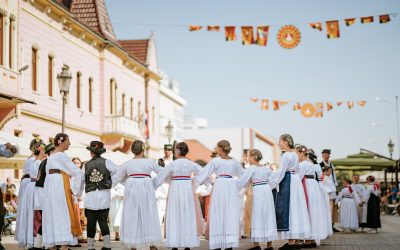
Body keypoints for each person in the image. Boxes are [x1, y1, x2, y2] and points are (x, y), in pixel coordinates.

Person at [113, 140, 162, 250]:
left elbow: (116, 178)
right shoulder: (150, 162)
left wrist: (127, 182)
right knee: (149, 213)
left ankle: (132, 244)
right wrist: (154, 184)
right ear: (143, 149)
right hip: (146, 188)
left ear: (132, 150)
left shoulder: (127, 163)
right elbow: (162, 174)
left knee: (132, 214)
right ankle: (151, 244)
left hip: (132, 189)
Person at [195, 140, 244, 250]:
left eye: (217, 148)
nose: (216, 150)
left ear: (220, 149)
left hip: (220, 185)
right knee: (229, 212)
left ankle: (217, 242)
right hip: (230, 186)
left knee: (218, 212)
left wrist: (193, 183)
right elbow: (243, 175)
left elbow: (204, 174)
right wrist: (237, 185)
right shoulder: (235, 162)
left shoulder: (215, 161)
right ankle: (229, 243)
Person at [154, 142, 203, 250]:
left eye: (176, 150)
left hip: (175, 187)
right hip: (187, 188)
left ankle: (174, 243)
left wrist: (153, 185)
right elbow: (203, 173)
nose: (174, 152)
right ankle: (187, 243)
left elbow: (162, 176)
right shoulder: (191, 164)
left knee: (174, 214)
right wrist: (194, 182)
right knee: (187, 214)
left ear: (179, 151)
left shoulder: (172, 164)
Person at [42, 133, 82, 249]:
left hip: (50, 184)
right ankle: (63, 244)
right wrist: (76, 187)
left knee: (52, 211)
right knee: (61, 211)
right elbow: (75, 171)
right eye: (68, 141)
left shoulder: (51, 157)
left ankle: (53, 242)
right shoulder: (61, 156)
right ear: (62, 142)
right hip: (58, 184)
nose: (69, 143)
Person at [274, 134, 310, 250]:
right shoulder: (295, 154)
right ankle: (294, 240)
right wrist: (296, 182)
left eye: (280, 141)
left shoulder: (285, 156)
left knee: (289, 209)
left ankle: (290, 242)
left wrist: (272, 183)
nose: (278, 144)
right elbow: (298, 170)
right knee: (296, 209)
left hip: (288, 181)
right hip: (295, 181)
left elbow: (281, 172)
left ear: (285, 142)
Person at [236, 149, 277, 250]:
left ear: (253, 157)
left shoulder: (251, 169)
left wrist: (232, 185)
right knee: (267, 215)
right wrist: (268, 188)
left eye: (249, 156)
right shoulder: (266, 168)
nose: (248, 159)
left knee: (256, 214)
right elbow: (274, 181)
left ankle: (256, 244)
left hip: (257, 190)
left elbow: (242, 181)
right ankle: (269, 244)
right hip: (266, 191)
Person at [81, 141, 117, 250]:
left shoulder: (86, 165)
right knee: (103, 221)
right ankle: (107, 245)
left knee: (91, 222)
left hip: (91, 196)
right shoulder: (108, 162)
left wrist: (77, 192)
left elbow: (81, 180)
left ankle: (90, 246)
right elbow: (118, 172)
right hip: (103, 195)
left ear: (91, 152)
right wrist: (110, 183)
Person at [16, 141, 46, 249]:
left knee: (31, 212)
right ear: (39, 149)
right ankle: (34, 239)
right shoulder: (36, 161)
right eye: (43, 149)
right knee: (34, 213)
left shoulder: (31, 159)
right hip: (33, 185)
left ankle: (33, 239)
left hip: (30, 185)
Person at [296, 145, 327, 248]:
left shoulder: (303, 164)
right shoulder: (312, 163)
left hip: (307, 186)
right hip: (313, 186)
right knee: (313, 211)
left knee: (307, 210)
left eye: (297, 154)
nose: (297, 157)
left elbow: (298, 177)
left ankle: (309, 239)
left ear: (301, 153)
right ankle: (312, 238)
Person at [33, 143, 55, 249]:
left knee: (46, 220)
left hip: (41, 193)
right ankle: (42, 244)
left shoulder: (44, 162)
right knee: (47, 220)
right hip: (44, 193)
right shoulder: (50, 162)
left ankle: (40, 244)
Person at [308, 149, 333, 238]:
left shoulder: (311, 165)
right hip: (321, 186)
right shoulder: (318, 165)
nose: (327, 156)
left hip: (316, 187)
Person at [319, 149, 339, 232]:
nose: (326, 156)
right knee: (328, 208)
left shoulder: (331, 165)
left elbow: (334, 176)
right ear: (323, 155)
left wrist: (335, 185)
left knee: (334, 208)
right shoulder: (320, 165)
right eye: (325, 155)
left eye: (327, 155)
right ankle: (327, 225)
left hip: (332, 186)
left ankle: (332, 224)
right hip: (326, 187)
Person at [155, 144, 173, 228]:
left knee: (169, 214)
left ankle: (169, 233)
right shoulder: (159, 161)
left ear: (171, 151)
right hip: (160, 190)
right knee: (158, 213)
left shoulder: (173, 162)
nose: (167, 151)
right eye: (166, 150)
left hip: (170, 189)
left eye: (169, 150)